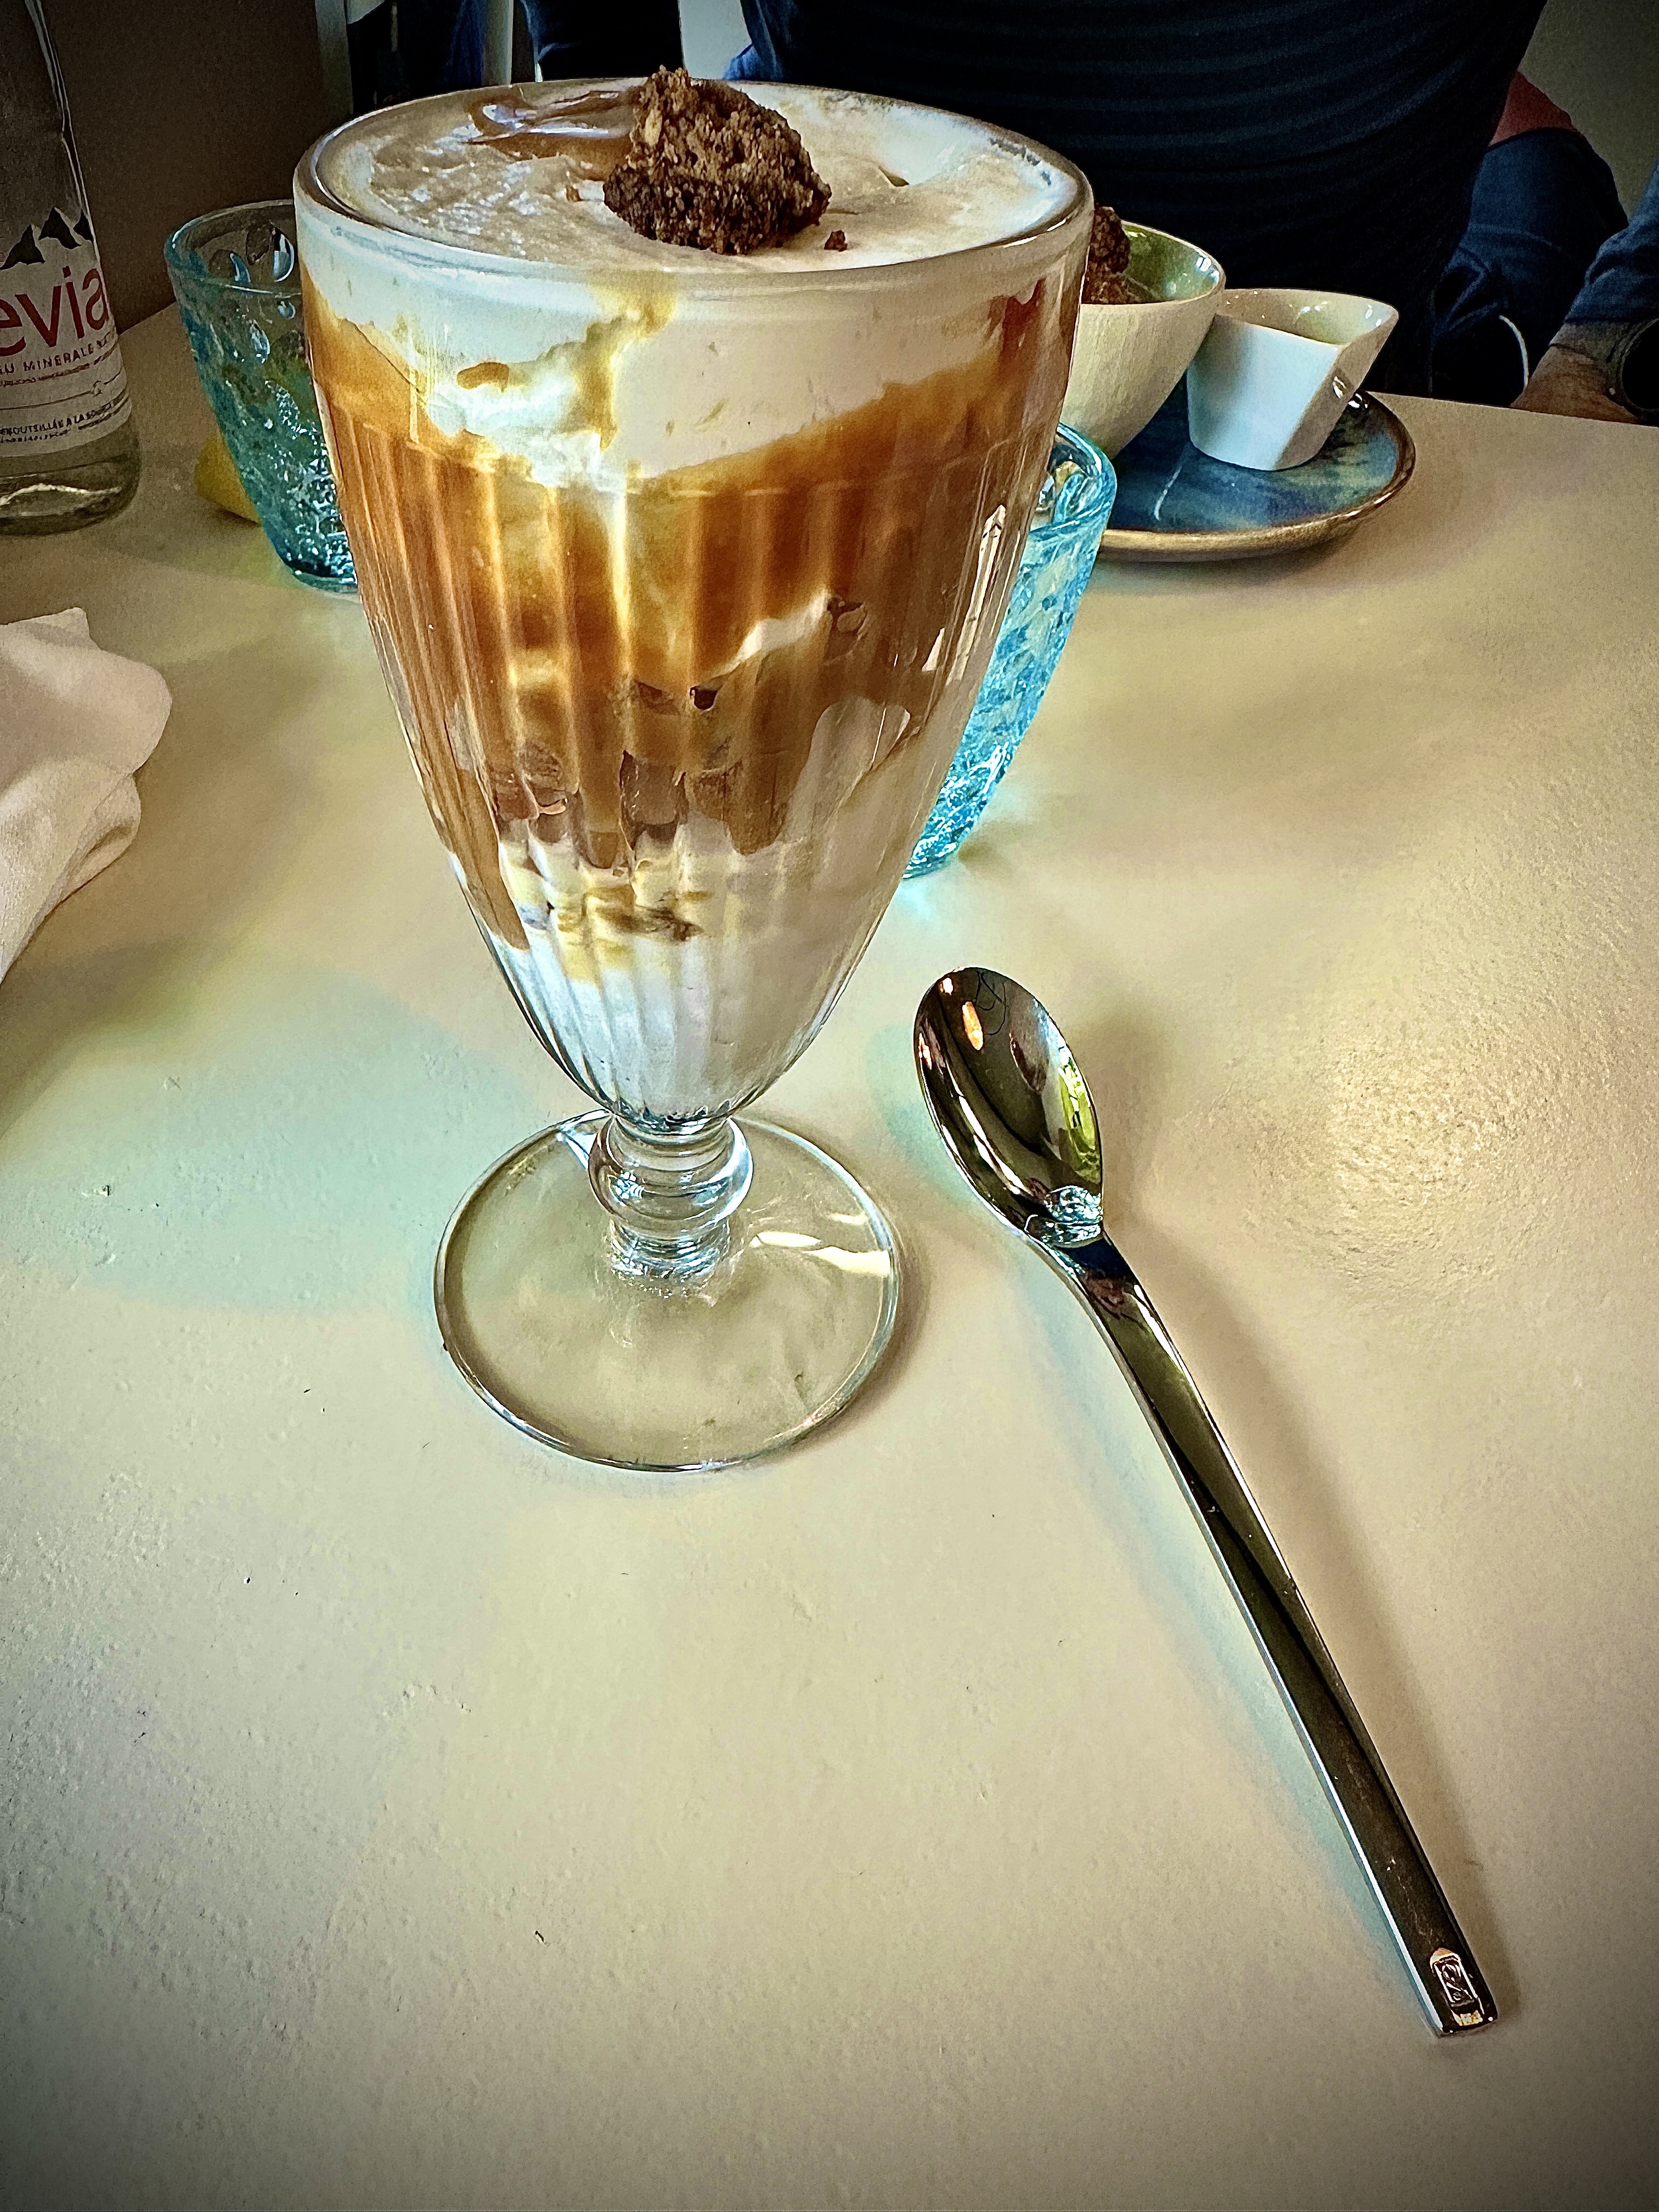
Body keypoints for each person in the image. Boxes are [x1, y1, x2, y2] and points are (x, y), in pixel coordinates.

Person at [518, 0, 1657, 421]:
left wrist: (1610, 349)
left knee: (1546, 185)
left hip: (1335, 390)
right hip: (826, 334)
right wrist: (635, 170)